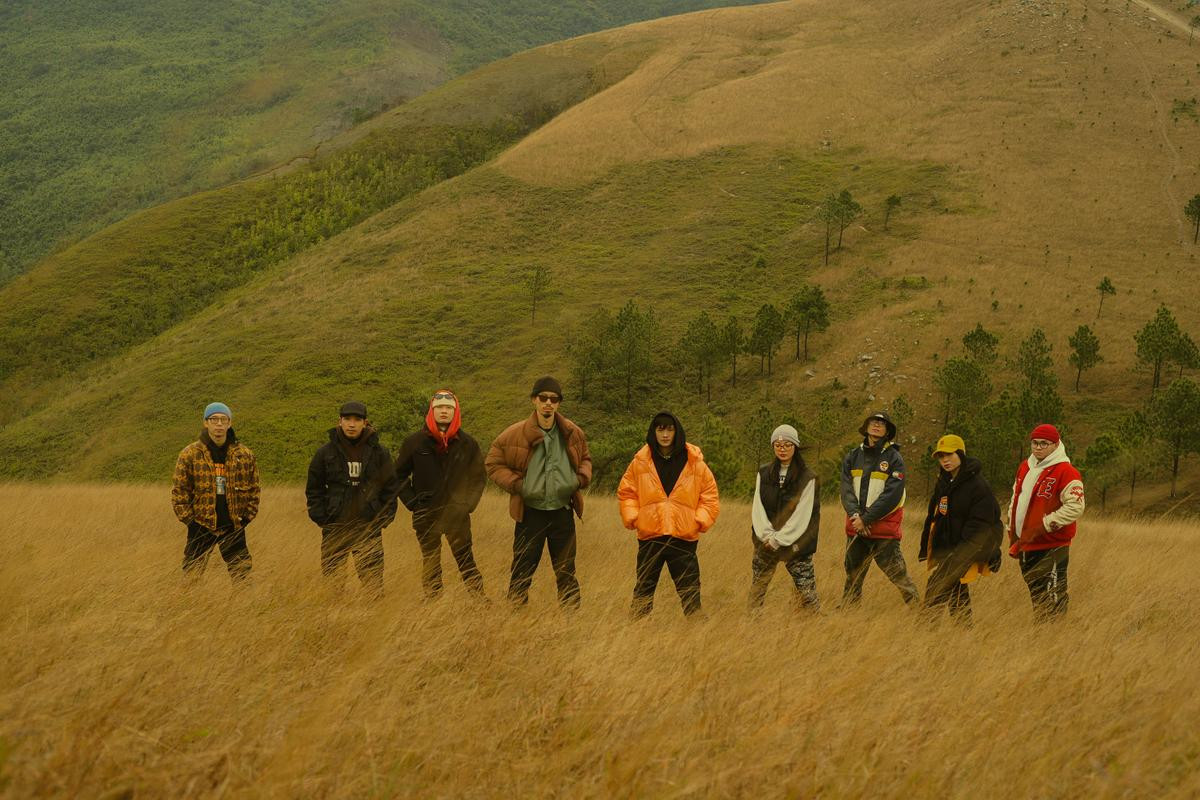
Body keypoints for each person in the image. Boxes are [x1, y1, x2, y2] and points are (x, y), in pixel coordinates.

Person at [486, 377, 592, 608]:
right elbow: (493, 463)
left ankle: (571, 623)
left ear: (558, 404)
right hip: (530, 514)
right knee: (522, 570)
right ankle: (514, 619)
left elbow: (585, 458)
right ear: (534, 400)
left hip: (563, 513)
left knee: (566, 573)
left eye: (553, 399)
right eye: (543, 398)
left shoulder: (572, 432)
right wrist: (518, 485)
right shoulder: (514, 434)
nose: (548, 403)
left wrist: (579, 479)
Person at [617, 412, 720, 618]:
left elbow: (710, 495)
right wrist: (635, 518)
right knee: (643, 593)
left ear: (677, 431)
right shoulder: (640, 461)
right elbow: (627, 492)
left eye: (669, 429)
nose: (665, 434)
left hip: (683, 537)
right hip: (650, 536)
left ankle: (699, 640)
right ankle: (635, 639)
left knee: (690, 593)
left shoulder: (694, 461)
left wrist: (698, 521)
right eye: (660, 429)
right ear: (653, 432)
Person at [394, 390, 487, 600]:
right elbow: (398, 476)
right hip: (425, 513)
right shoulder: (414, 442)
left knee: (465, 559)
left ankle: (479, 601)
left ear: (455, 412)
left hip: (458, 515)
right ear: (431, 411)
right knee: (431, 560)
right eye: (439, 408)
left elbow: (479, 477)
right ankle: (433, 603)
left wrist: (467, 505)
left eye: (448, 408)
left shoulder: (468, 444)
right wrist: (412, 502)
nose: (444, 411)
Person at [305, 401, 399, 597]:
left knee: (373, 586)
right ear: (339, 421)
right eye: (347, 419)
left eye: (357, 420)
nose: (351, 424)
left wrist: (382, 519)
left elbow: (390, 488)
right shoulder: (325, 452)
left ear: (365, 423)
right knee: (333, 585)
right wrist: (322, 518)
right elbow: (314, 488)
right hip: (335, 527)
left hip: (368, 526)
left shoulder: (379, 452)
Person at [917, 434, 1003, 624]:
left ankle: (923, 634)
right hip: (949, 548)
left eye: (949, 454)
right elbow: (935, 516)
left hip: (967, 549)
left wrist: (961, 553)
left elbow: (981, 524)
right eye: (941, 456)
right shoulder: (944, 482)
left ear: (961, 454)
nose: (945, 460)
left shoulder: (978, 486)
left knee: (936, 586)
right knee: (956, 592)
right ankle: (964, 633)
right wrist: (927, 547)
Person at [171, 402, 260, 582]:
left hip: (233, 525)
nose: (219, 424)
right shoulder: (190, 454)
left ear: (229, 423)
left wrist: (246, 518)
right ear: (206, 422)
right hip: (201, 526)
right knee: (191, 577)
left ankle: (244, 609)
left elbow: (254, 489)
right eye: (214, 419)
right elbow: (179, 491)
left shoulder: (244, 455)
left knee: (242, 577)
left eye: (223, 419)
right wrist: (190, 522)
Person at [840, 411, 919, 607]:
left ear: (887, 431)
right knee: (853, 575)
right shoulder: (852, 456)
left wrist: (866, 519)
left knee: (898, 574)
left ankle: (920, 612)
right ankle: (848, 614)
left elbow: (892, 495)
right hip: (857, 527)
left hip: (883, 530)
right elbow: (846, 490)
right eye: (873, 421)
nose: (876, 425)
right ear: (866, 427)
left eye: (881, 423)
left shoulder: (894, 458)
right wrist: (856, 517)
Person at [1006, 424, 1084, 619]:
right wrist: (1011, 525)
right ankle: (1043, 636)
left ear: (1056, 444)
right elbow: (1016, 496)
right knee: (1037, 595)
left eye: (1044, 443)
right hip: (1026, 542)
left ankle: (1056, 637)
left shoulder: (1067, 471)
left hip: (1053, 545)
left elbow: (1076, 506)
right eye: (1034, 443)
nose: (1038, 447)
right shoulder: (1025, 467)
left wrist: (1047, 524)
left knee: (1054, 595)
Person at [749, 424, 820, 612]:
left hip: (797, 544)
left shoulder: (808, 477)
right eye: (778, 445)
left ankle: (814, 630)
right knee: (757, 593)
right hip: (765, 542)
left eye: (787, 444)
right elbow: (758, 508)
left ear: (795, 446)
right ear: (773, 446)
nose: (783, 449)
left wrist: (779, 540)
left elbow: (802, 516)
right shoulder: (763, 473)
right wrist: (767, 537)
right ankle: (751, 630)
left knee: (808, 596)